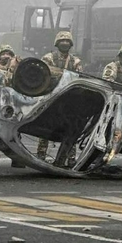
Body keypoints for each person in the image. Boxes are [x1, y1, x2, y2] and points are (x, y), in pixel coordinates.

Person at [37, 31, 83, 165]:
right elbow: (42, 76)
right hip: (50, 97)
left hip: (69, 99)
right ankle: (41, 156)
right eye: (62, 41)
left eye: (67, 41)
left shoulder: (75, 61)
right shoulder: (48, 58)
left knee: (71, 128)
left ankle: (70, 159)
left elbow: (80, 78)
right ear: (57, 43)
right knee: (45, 128)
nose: (65, 43)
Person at [0, 44, 24, 168]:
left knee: (15, 132)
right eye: (4, 54)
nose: (6, 56)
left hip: (13, 104)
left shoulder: (17, 68)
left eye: (9, 54)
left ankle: (17, 159)